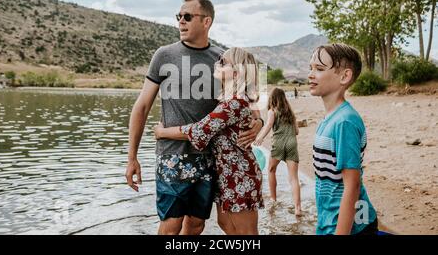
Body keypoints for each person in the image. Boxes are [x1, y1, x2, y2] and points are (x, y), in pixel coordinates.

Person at [125, 0, 263, 235]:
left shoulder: (222, 59)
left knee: (197, 225)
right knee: (170, 225)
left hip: (210, 159)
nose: (181, 21)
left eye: (187, 16)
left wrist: (258, 123)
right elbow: (142, 107)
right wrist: (131, 157)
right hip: (172, 156)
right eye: (178, 16)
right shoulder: (164, 55)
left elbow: (252, 99)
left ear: (206, 21)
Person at [154, 47, 264, 235]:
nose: (216, 63)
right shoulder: (230, 101)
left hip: (240, 175)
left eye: (223, 63)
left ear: (236, 72)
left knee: (246, 234)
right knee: (227, 226)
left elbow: (199, 130)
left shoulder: (234, 103)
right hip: (227, 175)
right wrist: (259, 122)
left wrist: (162, 132)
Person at [308, 43, 378, 235]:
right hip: (331, 220)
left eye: (319, 69)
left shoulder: (344, 122)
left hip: (353, 226)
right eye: (311, 68)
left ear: (344, 76)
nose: (311, 74)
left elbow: (352, 184)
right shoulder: (330, 118)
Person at [254, 87, 302, 216]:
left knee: (271, 170)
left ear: (272, 99)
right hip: (292, 143)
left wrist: (259, 137)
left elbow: (268, 125)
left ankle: (273, 199)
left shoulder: (272, 111)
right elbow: (297, 131)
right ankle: (298, 208)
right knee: (293, 178)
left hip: (278, 143)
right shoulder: (290, 113)